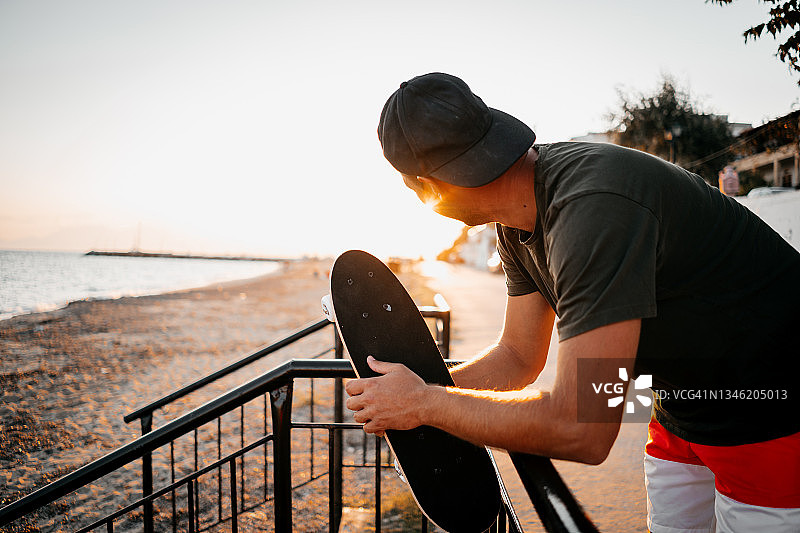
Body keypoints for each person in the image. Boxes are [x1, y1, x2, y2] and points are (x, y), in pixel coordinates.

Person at [344, 72, 800, 532]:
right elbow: (517, 358)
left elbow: (582, 429)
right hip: (682, 406)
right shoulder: (516, 218)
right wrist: (404, 397)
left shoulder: (590, 210)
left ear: (427, 187)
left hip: (771, 409)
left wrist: (427, 404)